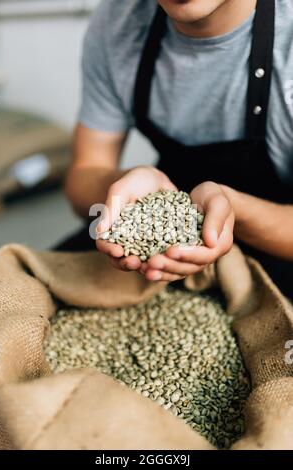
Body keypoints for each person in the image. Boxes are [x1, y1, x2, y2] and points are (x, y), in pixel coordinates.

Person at [63, 0, 293, 299]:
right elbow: (83, 176)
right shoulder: (118, 21)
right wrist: (129, 190)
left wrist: (232, 209)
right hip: (157, 250)